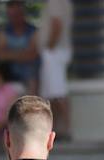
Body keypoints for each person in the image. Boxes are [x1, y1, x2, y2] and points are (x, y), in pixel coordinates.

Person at [37, 0, 73, 139]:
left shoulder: (55, 2)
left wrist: (48, 47)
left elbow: (57, 25)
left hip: (54, 52)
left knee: (58, 92)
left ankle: (67, 129)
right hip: (55, 52)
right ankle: (55, 130)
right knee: (51, 94)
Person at [0, 0, 39, 93]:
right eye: (12, 15)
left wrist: (10, 54)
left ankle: (32, 104)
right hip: (10, 70)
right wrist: (23, 54)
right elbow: (1, 55)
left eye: (18, 14)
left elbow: (33, 55)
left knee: (32, 73)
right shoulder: (4, 32)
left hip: (29, 70)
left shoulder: (32, 31)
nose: (15, 17)